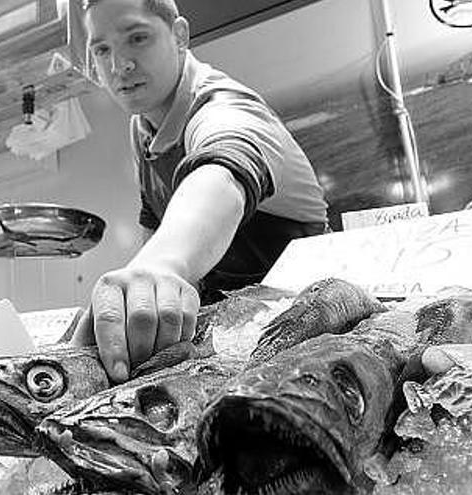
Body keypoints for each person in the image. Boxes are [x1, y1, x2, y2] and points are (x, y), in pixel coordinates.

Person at [70, 0, 329, 383]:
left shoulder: (223, 107)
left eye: (137, 38)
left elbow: (220, 177)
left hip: (304, 328)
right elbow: (156, 227)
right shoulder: (142, 129)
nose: (118, 65)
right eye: (102, 49)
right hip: (222, 332)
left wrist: (158, 269)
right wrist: (140, 296)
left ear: (179, 35)